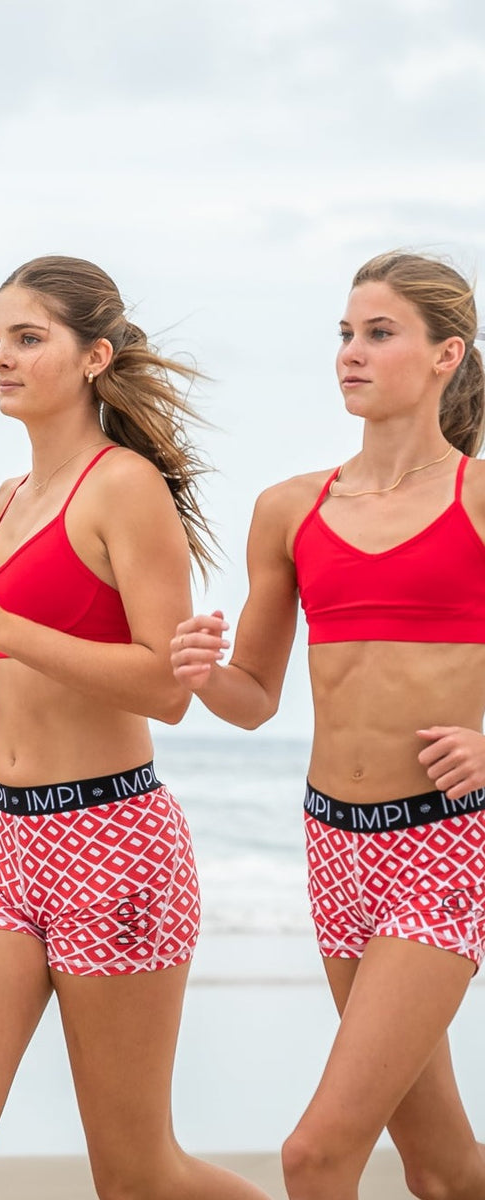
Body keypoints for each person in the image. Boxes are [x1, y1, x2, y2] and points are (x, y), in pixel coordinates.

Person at [0, 256, 270, 1200]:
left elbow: (164, 687)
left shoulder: (125, 488)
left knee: (136, 1174)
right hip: (1, 835)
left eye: (28, 339)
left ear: (94, 355)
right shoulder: (6, 502)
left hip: (112, 839)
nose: (2, 359)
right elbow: (48, 676)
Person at [171, 251, 485, 1200]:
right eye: (345, 333)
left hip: (443, 845)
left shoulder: (477, 497)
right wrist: (200, 673)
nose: (351, 352)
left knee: (315, 1155)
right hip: (334, 845)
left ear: (446, 356)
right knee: (440, 1166)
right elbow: (254, 696)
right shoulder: (290, 509)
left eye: (379, 333)